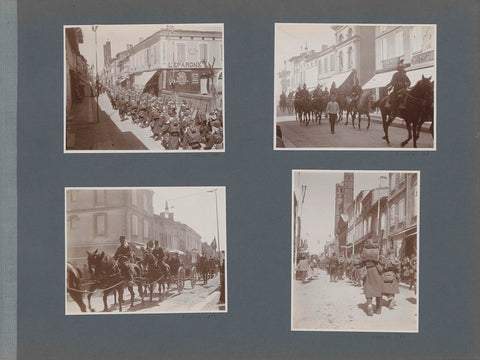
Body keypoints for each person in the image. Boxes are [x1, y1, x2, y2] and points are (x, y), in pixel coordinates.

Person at [361, 239, 383, 316]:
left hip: (368, 271)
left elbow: (361, 262)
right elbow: (383, 262)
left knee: (368, 288)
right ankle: (378, 309)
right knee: (378, 290)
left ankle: (369, 304)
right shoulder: (378, 251)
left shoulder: (364, 251)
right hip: (376, 271)